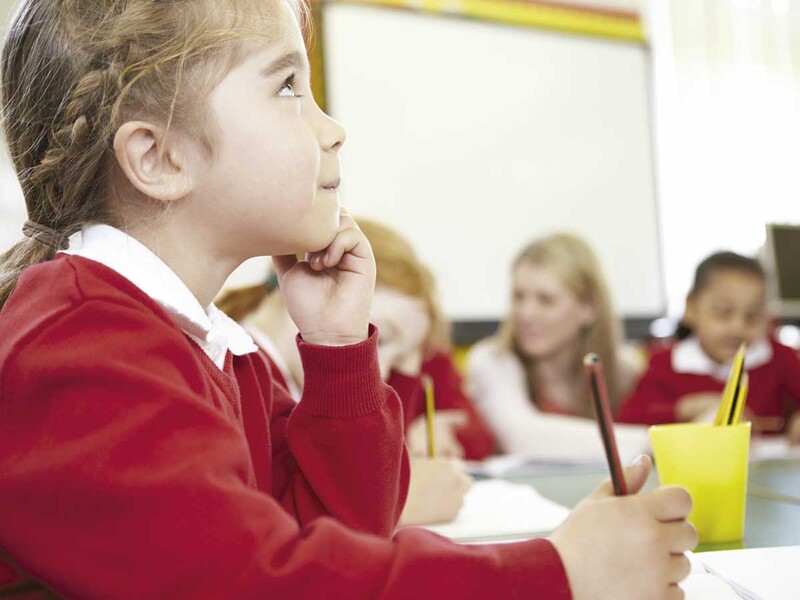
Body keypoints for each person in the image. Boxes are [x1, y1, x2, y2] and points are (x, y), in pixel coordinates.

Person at [0, 2, 696, 598]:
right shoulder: (81, 348)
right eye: (287, 87)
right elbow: (269, 585)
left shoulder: (218, 350)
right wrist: (557, 573)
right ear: (159, 158)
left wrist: (338, 350)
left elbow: (340, 534)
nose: (334, 129)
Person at [467, 234, 649, 461]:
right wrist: (653, 441)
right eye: (519, 297)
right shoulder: (492, 360)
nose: (526, 313)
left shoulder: (625, 368)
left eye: (546, 300)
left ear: (589, 308)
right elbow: (522, 437)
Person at [618, 251, 800, 444]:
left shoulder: (780, 358)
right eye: (722, 312)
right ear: (691, 308)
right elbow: (626, 422)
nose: (737, 327)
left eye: (752, 316)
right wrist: (685, 408)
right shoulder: (664, 363)